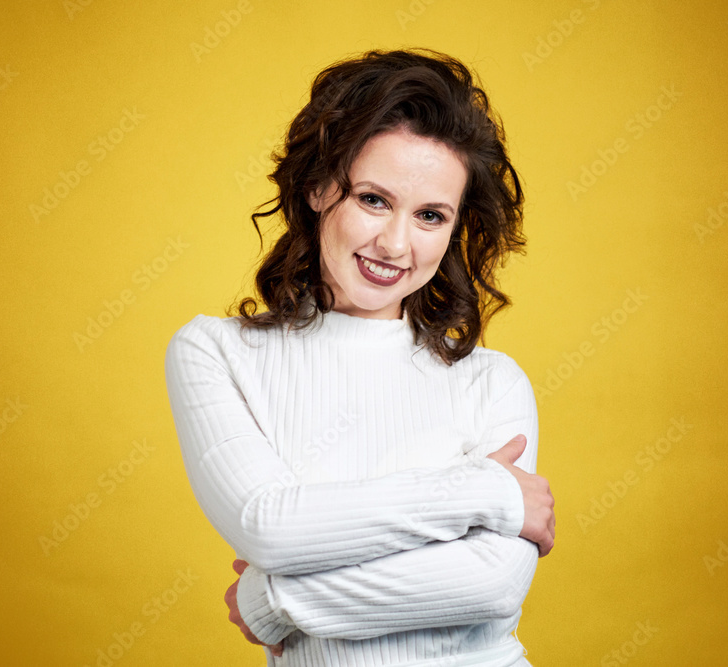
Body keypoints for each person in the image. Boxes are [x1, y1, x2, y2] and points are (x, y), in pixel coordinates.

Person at [164, 47, 556, 666]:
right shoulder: (216, 353)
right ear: (320, 187)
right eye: (374, 199)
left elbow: (491, 583)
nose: (395, 243)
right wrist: (484, 491)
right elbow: (271, 527)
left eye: (430, 215)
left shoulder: (492, 382)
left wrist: (271, 600)